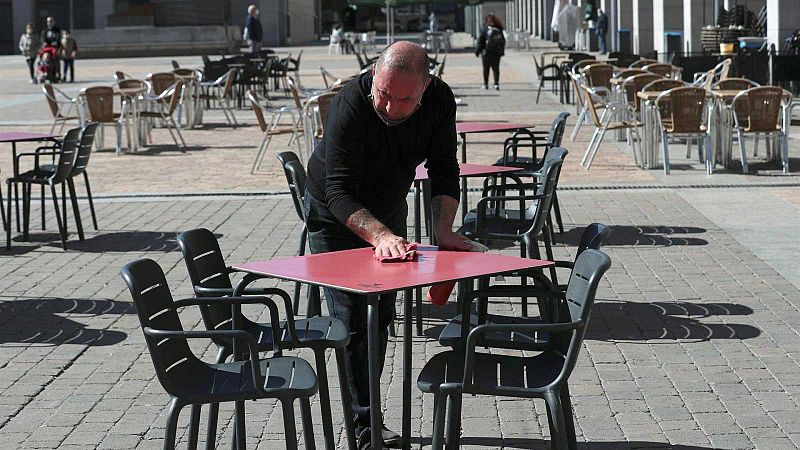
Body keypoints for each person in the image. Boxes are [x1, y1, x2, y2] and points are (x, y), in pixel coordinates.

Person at [304, 41, 476, 449]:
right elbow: (339, 192)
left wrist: (444, 231)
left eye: (404, 99)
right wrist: (379, 237)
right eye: (383, 93)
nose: (390, 107)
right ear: (374, 75)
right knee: (352, 320)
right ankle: (365, 429)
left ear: (426, 86)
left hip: (387, 209)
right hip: (334, 211)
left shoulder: (439, 100)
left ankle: (368, 415)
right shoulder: (351, 104)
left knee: (380, 317)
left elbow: (444, 168)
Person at [475, 13, 506, 90]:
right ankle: (496, 84)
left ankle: (485, 84)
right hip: (496, 53)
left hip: (486, 52)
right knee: (496, 69)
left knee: (486, 69)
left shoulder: (485, 29)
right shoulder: (499, 28)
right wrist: (501, 52)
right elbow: (503, 42)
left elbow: (480, 41)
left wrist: (477, 51)